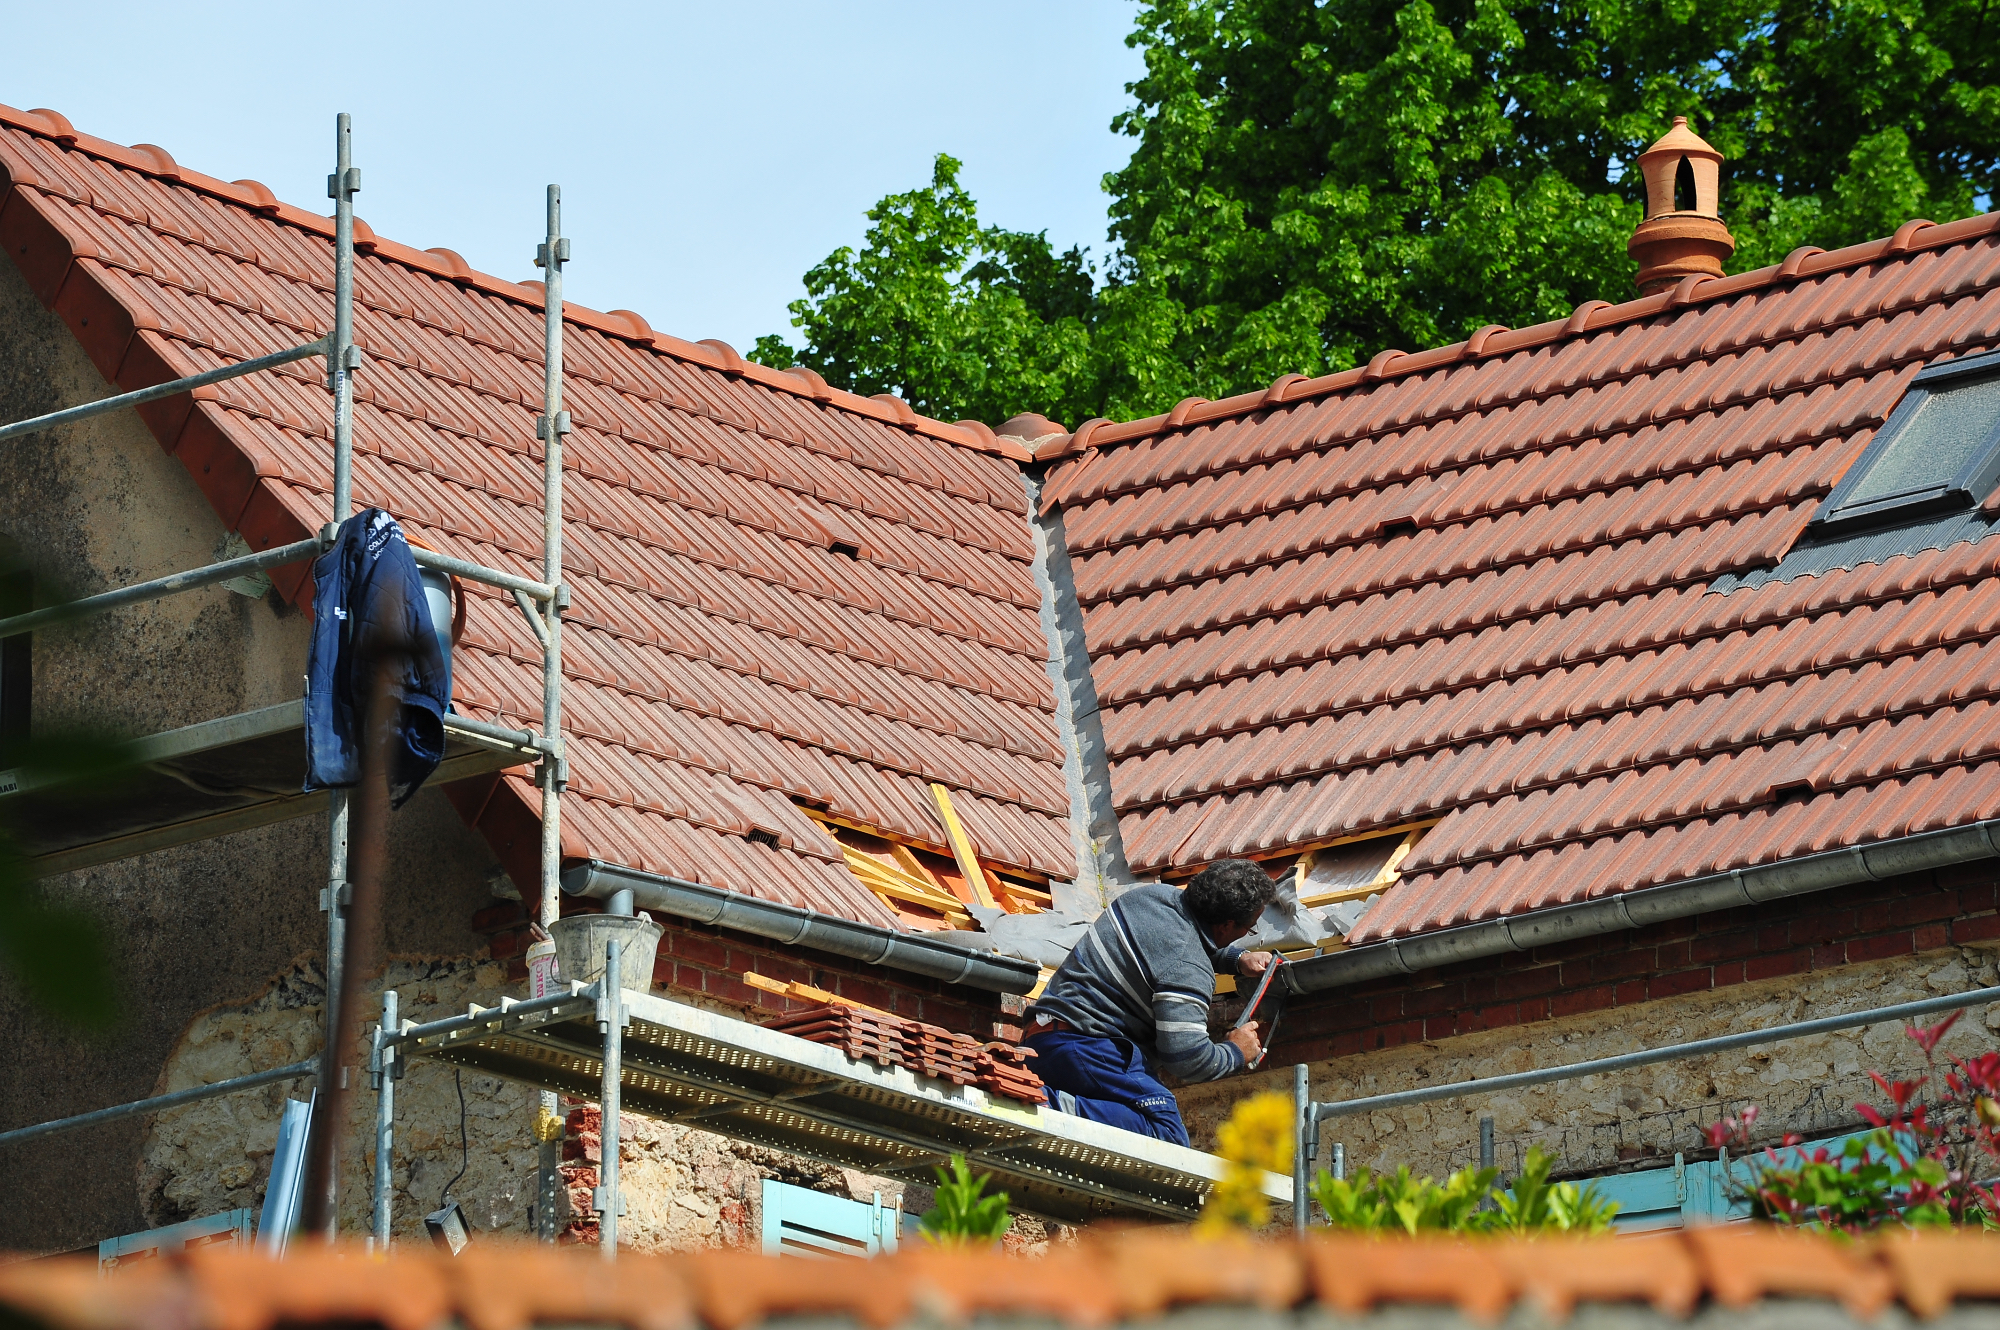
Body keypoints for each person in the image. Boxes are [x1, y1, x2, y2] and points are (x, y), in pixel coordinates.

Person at [1022, 859, 1278, 1146]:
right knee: (1165, 1136)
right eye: (1250, 928)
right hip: (1088, 1049)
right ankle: (1048, 1106)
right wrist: (1235, 1052)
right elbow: (1186, 1059)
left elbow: (1175, 946)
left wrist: (1238, 959)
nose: (1248, 934)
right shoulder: (1188, 968)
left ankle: (1048, 1100)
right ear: (1227, 924)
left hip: (1040, 1042)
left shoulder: (1149, 898)